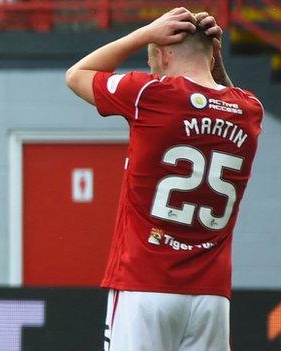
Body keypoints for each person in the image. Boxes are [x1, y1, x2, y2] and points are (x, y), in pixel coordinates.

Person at [65, 8, 263, 351]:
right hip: (211, 299)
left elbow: (77, 74)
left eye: (150, 58)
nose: (151, 67)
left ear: (162, 51)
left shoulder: (150, 94)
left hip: (144, 285)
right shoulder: (249, 111)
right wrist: (214, 62)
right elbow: (225, 96)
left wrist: (144, 33)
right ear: (212, 54)